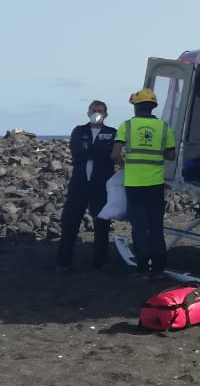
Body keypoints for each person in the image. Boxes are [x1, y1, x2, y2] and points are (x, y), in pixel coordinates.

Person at [112, 88, 177, 278]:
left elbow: (115, 154)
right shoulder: (164, 127)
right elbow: (171, 155)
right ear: (153, 107)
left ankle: (142, 268)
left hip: (134, 184)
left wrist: (124, 165)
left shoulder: (127, 126)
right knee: (156, 225)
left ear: (136, 108)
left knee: (139, 225)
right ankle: (158, 269)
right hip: (155, 184)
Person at [56, 100, 117, 270]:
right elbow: (78, 153)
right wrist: (97, 152)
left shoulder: (112, 132)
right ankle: (63, 262)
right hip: (79, 183)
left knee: (102, 223)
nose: (97, 113)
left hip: (101, 184)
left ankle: (100, 262)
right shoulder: (79, 131)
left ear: (106, 114)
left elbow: (110, 155)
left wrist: (92, 152)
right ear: (88, 112)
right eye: (94, 110)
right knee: (70, 221)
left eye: (100, 110)